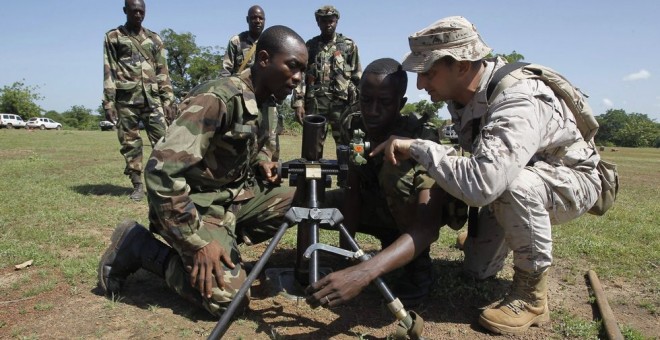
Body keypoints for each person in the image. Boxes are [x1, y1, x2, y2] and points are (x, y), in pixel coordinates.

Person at [371, 16, 601, 335]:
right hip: (512, 178)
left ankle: (531, 298)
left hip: (570, 180)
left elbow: (483, 184)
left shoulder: (517, 98)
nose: (421, 84)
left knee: (513, 186)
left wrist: (420, 147)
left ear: (462, 65)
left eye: (428, 72)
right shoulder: (461, 98)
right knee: (477, 271)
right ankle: (507, 228)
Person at [98, 25, 308, 317]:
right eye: (293, 66)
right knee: (229, 300)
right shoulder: (218, 98)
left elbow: (252, 145)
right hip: (197, 206)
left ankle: (225, 243)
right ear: (263, 59)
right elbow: (161, 172)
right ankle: (141, 248)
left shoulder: (268, 103)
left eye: (302, 70)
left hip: (235, 199)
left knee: (307, 199)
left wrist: (261, 160)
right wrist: (197, 243)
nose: (298, 78)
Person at [306, 58, 467, 308]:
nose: (372, 110)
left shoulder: (420, 134)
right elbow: (353, 188)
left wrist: (363, 273)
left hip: (420, 214)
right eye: (366, 100)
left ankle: (418, 268)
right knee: (311, 202)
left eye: (384, 102)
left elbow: (427, 225)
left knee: (394, 170)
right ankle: (386, 243)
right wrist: (347, 254)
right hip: (377, 203)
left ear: (400, 104)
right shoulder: (354, 124)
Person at [103, 0, 174, 201]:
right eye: (134, 11)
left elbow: (163, 72)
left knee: (164, 141)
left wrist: (168, 100)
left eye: (141, 11)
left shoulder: (154, 39)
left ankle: (165, 182)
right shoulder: (114, 37)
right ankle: (137, 185)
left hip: (153, 99)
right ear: (125, 10)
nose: (138, 15)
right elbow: (108, 70)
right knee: (130, 143)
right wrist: (109, 102)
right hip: (126, 99)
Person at [292, 5, 361, 144]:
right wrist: (299, 103)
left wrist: (357, 106)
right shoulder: (310, 46)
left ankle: (347, 167)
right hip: (315, 104)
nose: (328, 24)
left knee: (346, 147)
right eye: (324, 21)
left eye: (331, 21)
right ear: (318, 22)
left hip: (341, 105)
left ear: (336, 21)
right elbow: (300, 76)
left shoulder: (348, 45)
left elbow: (357, 76)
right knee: (312, 146)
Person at [220, 5, 266, 77]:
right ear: (247, 20)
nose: (258, 21)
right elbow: (226, 71)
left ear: (264, 21)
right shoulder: (236, 41)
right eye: (254, 18)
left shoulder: (269, 42)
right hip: (240, 86)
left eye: (261, 18)